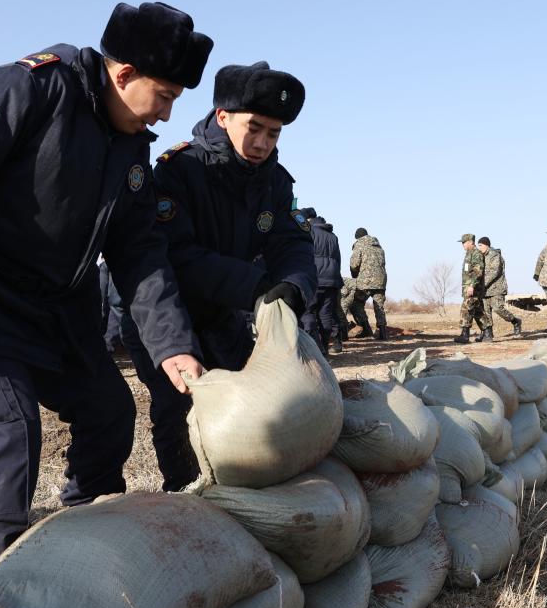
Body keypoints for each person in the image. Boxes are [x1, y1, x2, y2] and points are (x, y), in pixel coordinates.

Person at [0, 1, 213, 584]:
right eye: (164, 96)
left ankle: (84, 541)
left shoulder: (130, 146)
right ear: (123, 75)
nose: (167, 116)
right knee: (8, 431)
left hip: (57, 309)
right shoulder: (30, 89)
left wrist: (173, 345)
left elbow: (140, 253)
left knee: (110, 411)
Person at [125, 60, 316, 492]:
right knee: (180, 412)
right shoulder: (180, 170)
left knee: (246, 409)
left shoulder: (275, 182)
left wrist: (291, 284)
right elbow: (177, 256)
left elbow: (293, 243)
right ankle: (185, 495)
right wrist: (255, 286)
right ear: (222, 116)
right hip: (167, 317)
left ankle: (240, 503)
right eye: (255, 128)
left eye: (274, 133)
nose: (263, 143)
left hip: (223, 318)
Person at [301, 212, 344, 354]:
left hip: (315, 277)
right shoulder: (333, 236)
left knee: (309, 312)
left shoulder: (309, 232)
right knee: (326, 314)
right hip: (332, 279)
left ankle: (316, 350)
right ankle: (325, 347)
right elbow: (338, 259)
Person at [477, 236, 522, 338]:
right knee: (485, 312)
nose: (479, 248)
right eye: (478, 245)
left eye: (481, 245)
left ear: (487, 245)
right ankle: (488, 333)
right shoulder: (480, 256)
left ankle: (515, 321)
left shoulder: (495, 255)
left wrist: (481, 284)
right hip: (484, 290)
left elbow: (494, 272)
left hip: (497, 288)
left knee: (498, 309)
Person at [348, 228, 388, 339]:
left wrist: (355, 276)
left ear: (358, 237)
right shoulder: (379, 246)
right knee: (379, 306)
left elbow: (354, 264)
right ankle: (383, 333)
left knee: (355, 304)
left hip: (365, 281)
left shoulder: (359, 245)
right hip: (381, 281)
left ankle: (366, 330)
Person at [454, 233, 490, 343]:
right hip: (469, 289)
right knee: (478, 312)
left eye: (464, 242)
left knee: (466, 309)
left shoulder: (476, 254)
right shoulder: (469, 254)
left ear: (470, 242)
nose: (463, 245)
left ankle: (465, 335)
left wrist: (471, 286)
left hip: (473, 289)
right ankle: (487, 333)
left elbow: (478, 272)